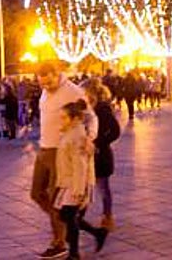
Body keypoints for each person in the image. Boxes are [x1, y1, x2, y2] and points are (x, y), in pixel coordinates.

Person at [31, 61, 91, 259]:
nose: (46, 87)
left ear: (57, 74)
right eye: (42, 84)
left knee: (56, 198)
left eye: (49, 82)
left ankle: (59, 241)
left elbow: (91, 116)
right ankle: (66, 219)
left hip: (61, 150)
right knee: (36, 193)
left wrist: (90, 139)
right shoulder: (45, 92)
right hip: (44, 147)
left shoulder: (73, 91)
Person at [54, 100, 109, 259]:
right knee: (66, 216)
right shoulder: (70, 133)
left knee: (69, 217)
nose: (61, 121)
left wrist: (79, 190)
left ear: (75, 119)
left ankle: (74, 254)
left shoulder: (77, 137)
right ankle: (98, 233)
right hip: (69, 182)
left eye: (64, 118)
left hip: (76, 183)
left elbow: (80, 166)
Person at [83, 77, 120, 233]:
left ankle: (108, 216)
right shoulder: (86, 109)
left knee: (103, 188)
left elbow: (115, 132)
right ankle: (77, 218)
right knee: (85, 188)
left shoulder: (102, 109)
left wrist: (98, 143)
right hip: (88, 155)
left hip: (100, 156)